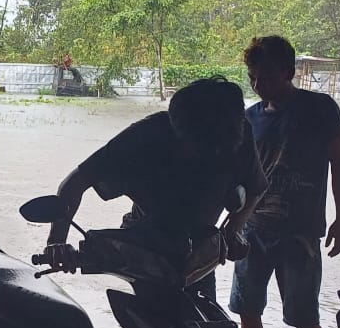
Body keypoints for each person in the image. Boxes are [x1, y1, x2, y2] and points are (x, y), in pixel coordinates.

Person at [43, 76, 266, 299]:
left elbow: (256, 188)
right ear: (177, 127)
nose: (205, 156)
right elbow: (75, 183)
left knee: (209, 320)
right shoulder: (146, 135)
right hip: (145, 246)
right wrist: (56, 243)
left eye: (216, 151)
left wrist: (233, 230)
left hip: (201, 249)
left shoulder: (238, 133)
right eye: (196, 146)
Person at [230, 35, 340, 328]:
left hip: (300, 231)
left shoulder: (320, 108)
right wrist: (231, 226)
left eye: (266, 76)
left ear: (288, 71)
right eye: (252, 77)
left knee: (303, 315)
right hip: (252, 230)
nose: (258, 84)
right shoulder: (248, 119)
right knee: (248, 311)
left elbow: (339, 165)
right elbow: (237, 176)